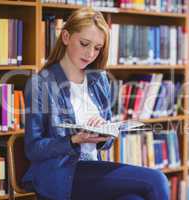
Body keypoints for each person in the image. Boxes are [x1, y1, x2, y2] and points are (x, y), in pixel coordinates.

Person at [22, 8, 169, 200]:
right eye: (84, 44)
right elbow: (33, 148)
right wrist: (73, 141)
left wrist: (103, 131)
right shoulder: (41, 83)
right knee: (156, 179)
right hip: (61, 174)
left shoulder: (99, 80)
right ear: (66, 37)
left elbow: (106, 143)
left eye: (97, 48)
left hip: (93, 169)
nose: (90, 53)